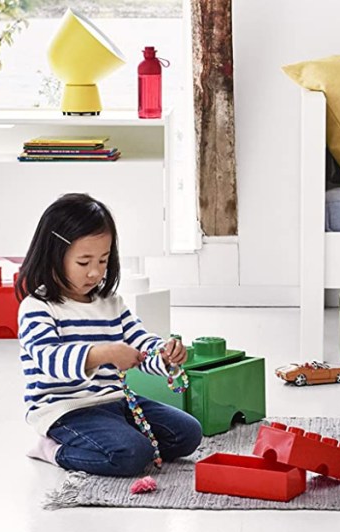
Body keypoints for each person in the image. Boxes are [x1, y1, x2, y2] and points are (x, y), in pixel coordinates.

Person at [16, 193, 201, 476]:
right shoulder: (37, 308)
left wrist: (163, 354)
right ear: (53, 255)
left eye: (103, 261)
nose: (95, 273)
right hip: (65, 409)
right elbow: (49, 360)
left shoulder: (111, 303)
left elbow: (141, 343)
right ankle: (52, 449)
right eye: (83, 262)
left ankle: (115, 436)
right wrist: (105, 354)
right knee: (131, 454)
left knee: (188, 433)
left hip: (116, 401)